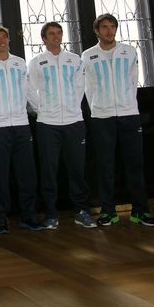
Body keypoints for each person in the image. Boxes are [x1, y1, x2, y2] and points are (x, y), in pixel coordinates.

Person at [81, 14, 154, 227]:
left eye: (113, 27)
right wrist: (98, 107)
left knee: (135, 165)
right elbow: (87, 87)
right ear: (97, 31)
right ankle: (108, 212)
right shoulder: (87, 56)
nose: (109, 31)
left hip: (129, 115)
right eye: (105, 27)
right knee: (105, 166)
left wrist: (127, 104)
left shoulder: (129, 51)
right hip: (101, 117)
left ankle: (141, 211)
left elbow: (133, 80)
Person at [28, 22, 96, 230]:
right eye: (51, 34)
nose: (56, 36)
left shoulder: (74, 60)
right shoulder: (37, 62)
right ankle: (50, 214)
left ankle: (82, 211)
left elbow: (79, 87)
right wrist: (45, 110)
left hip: (74, 122)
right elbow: (31, 90)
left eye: (59, 33)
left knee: (77, 168)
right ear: (44, 38)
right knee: (49, 170)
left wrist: (71, 107)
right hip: (47, 123)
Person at [0, 26, 42, 233]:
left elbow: (29, 91)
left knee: (26, 174)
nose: (2, 40)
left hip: (21, 124)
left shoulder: (20, 63)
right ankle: (0, 218)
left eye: (5, 37)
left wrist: (39, 111)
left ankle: (28, 215)